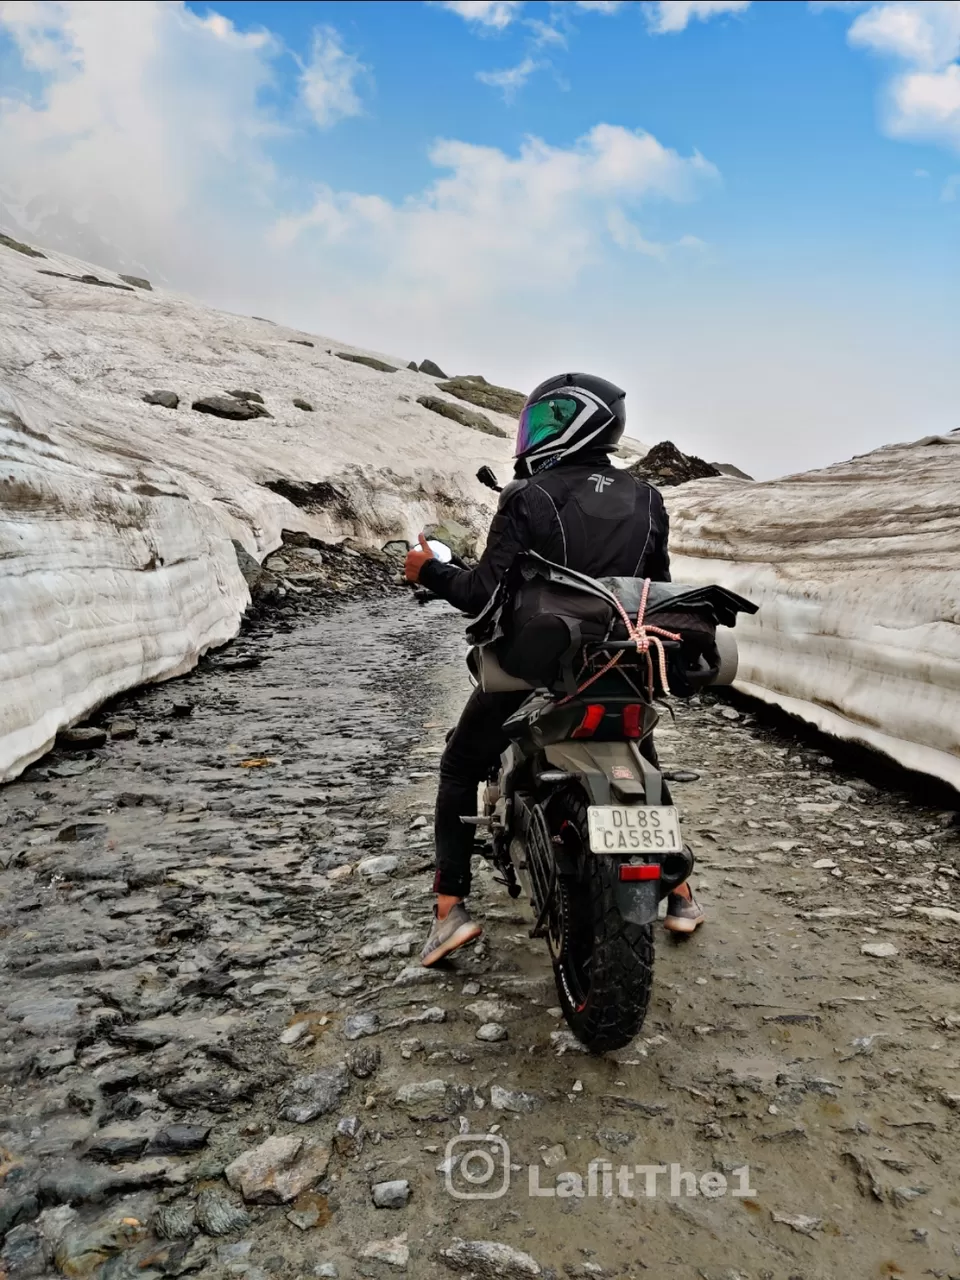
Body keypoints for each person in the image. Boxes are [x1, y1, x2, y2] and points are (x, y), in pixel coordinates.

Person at [404, 373, 704, 967]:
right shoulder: (648, 498)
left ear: (581, 422)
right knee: (641, 753)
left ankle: (449, 911)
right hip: (622, 662)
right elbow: (655, 590)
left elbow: (483, 597)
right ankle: (681, 891)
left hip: (544, 668)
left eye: (545, 421)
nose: (534, 434)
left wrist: (428, 571)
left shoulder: (527, 496)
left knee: (461, 763)